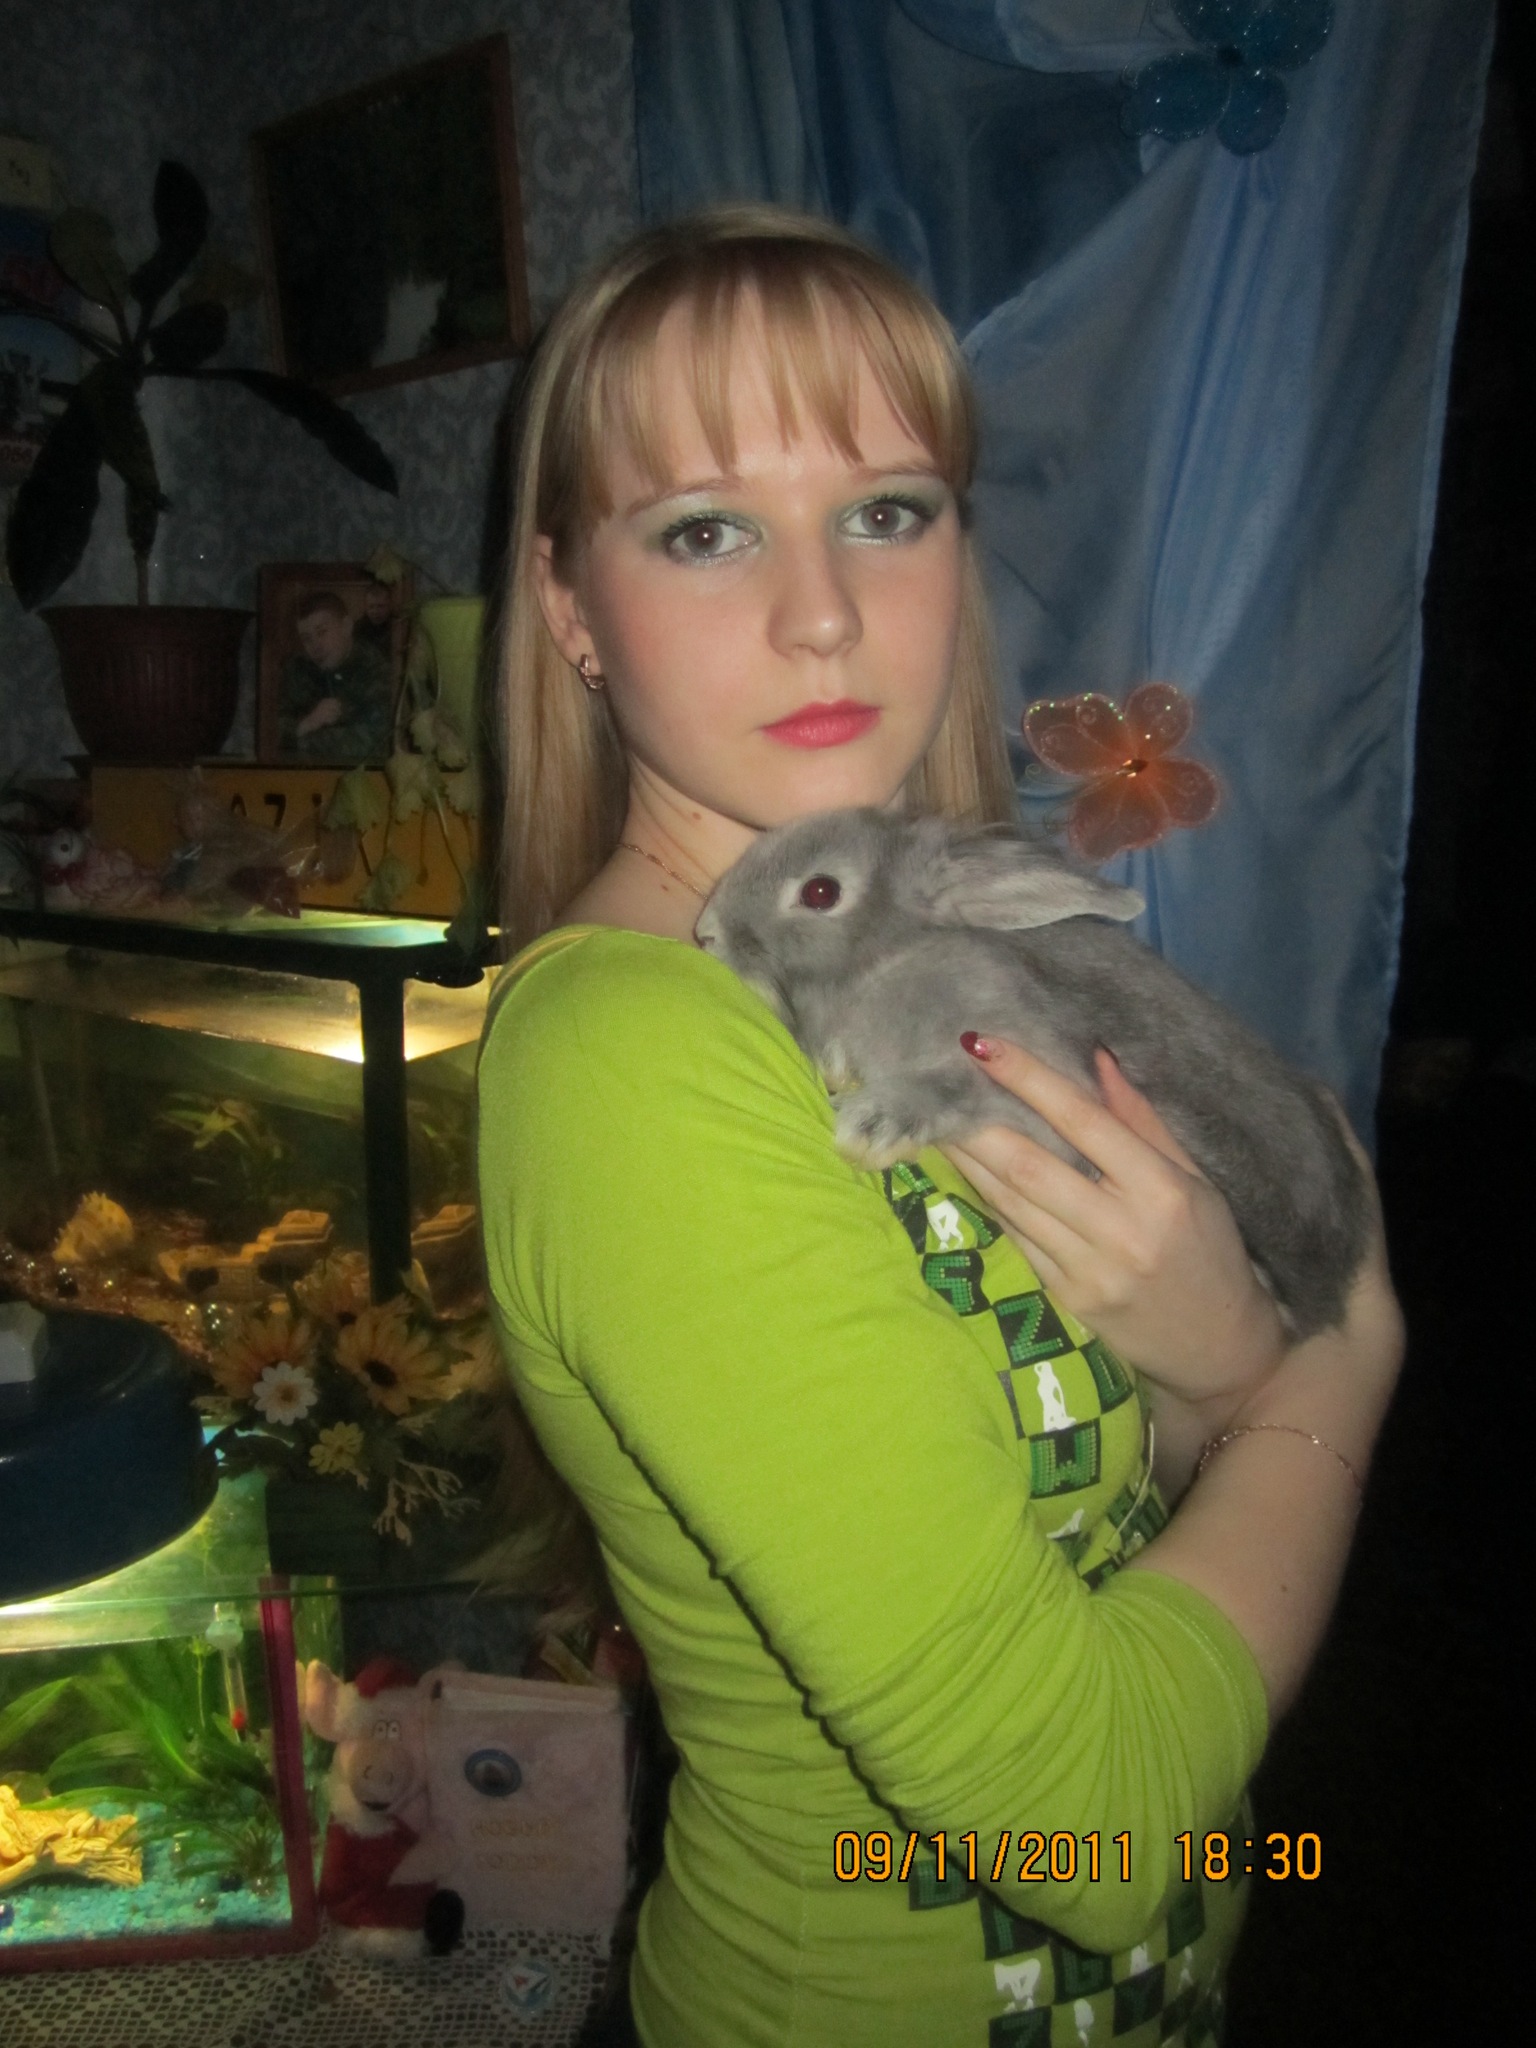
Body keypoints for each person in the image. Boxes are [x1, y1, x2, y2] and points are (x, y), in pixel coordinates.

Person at [476, 208, 1403, 2048]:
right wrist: (1339, 1369)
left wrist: (1226, 1361)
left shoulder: (945, 949)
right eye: (708, 528)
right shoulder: (629, 1063)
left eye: (888, 510)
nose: (823, 611)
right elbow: (1085, 1818)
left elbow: (1134, 1492)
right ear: (570, 606)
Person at [279, 589, 393, 761]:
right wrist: (307, 723)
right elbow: (268, 729)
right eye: (306, 638)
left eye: (322, 632)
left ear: (346, 626)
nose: (315, 646)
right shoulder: (297, 668)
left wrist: (297, 739)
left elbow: (370, 743)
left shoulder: (376, 669)